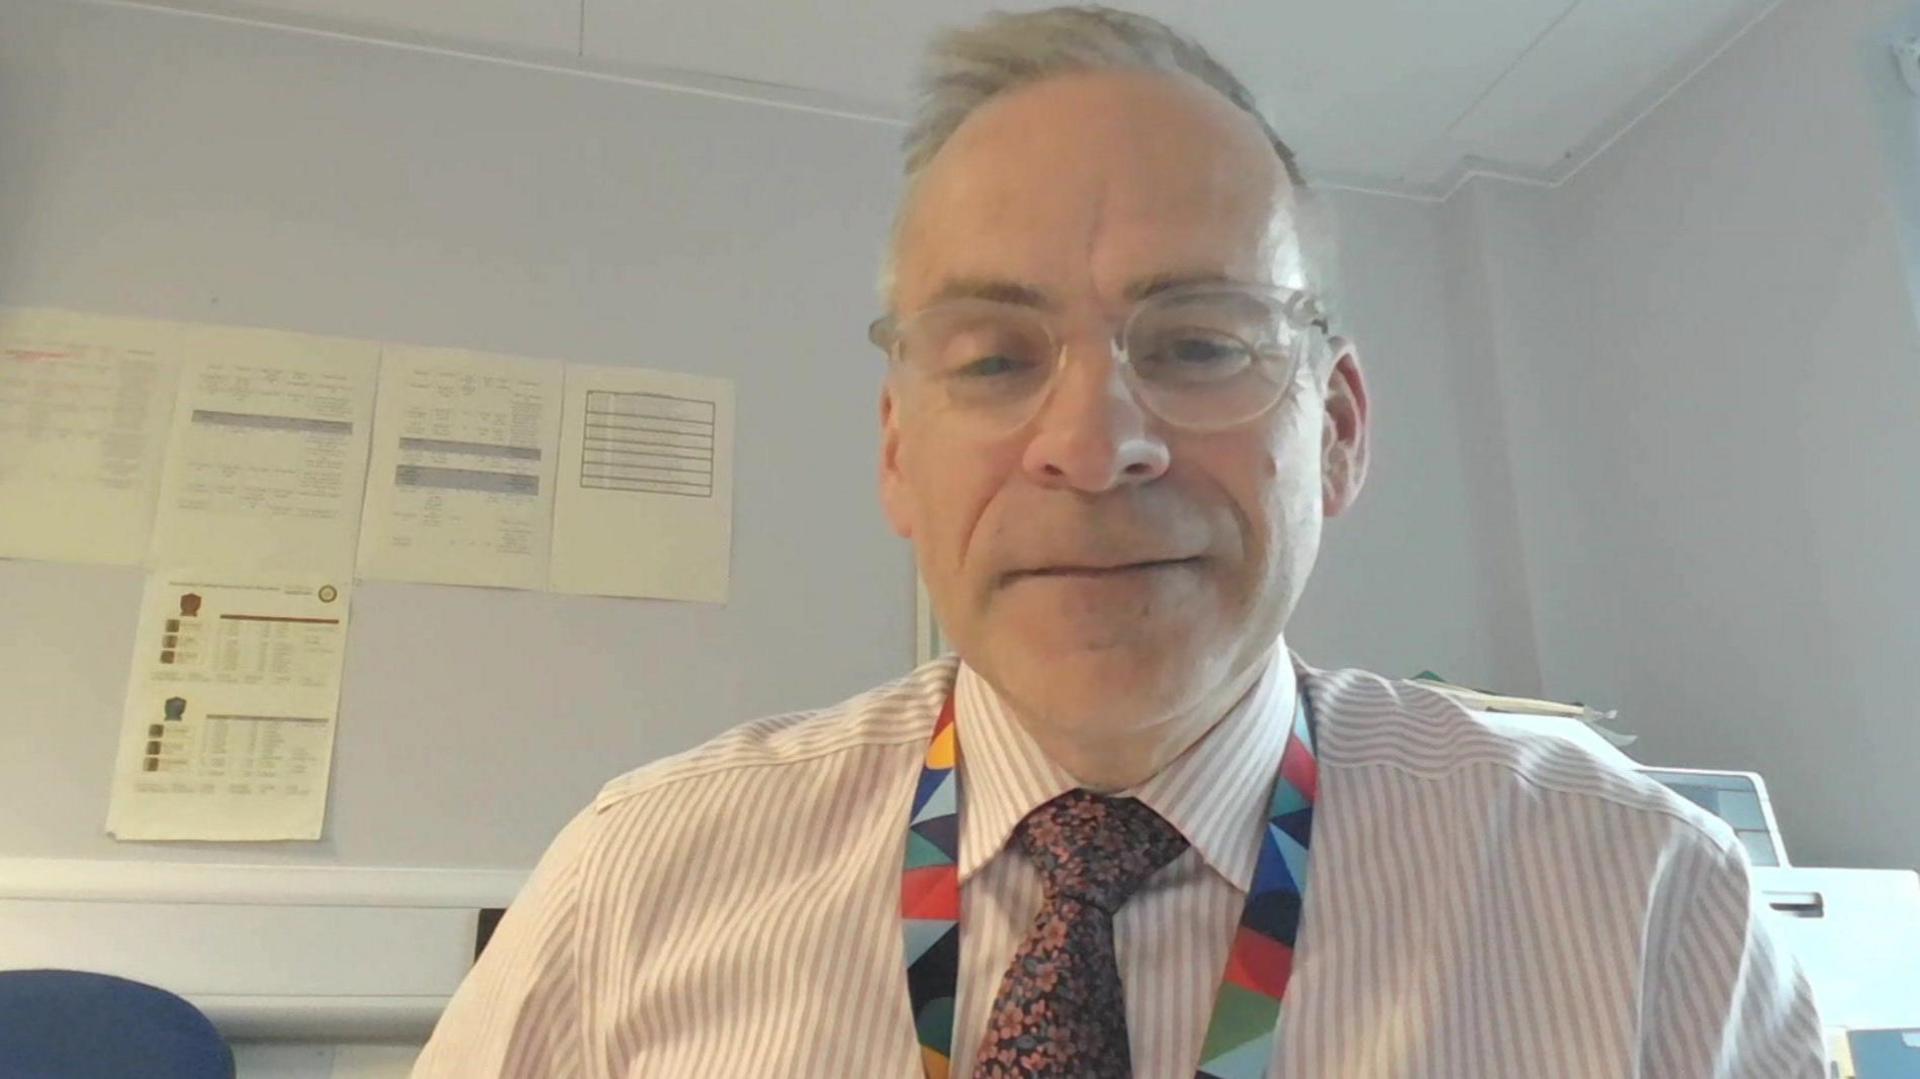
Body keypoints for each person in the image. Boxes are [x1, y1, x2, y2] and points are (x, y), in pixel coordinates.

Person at [415, 8, 1824, 1077]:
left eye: (1202, 341)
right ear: (899, 448)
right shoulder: (630, 891)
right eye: (991, 356)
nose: (1093, 447)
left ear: (1334, 430)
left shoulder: (1644, 902)